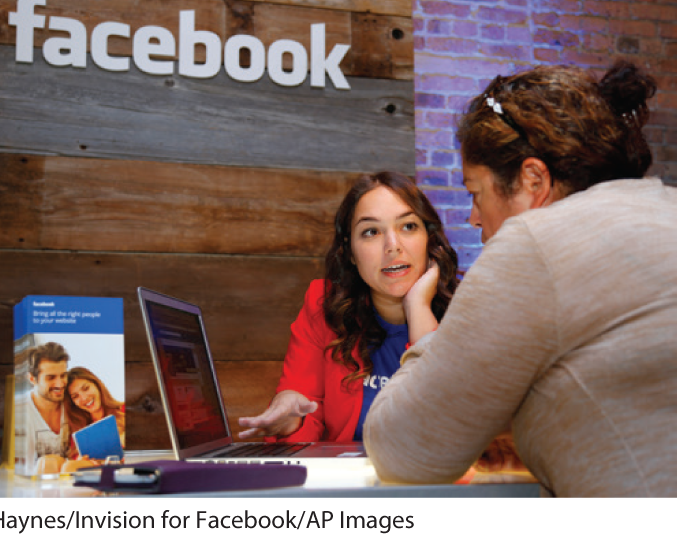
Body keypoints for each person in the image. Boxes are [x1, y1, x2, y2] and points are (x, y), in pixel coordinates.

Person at [364, 61, 676, 497]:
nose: (474, 217)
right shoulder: (666, 205)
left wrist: (435, 334)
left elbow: (406, 452)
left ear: (533, 180)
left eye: (476, 192)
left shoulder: (536, 241)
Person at [238, 171, 459, 442]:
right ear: (351, 254)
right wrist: (291, 421)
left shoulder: (467, 312)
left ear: (430, 239)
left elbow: (449, 429)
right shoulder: (324, 305)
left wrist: (418, 309)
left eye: (408, 226)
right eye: (371, 232)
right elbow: (303, 408)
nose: (393, 246)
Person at [24, 342, 70, 475]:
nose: (60, 384)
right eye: (51, 378)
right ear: (32, 379)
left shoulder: (75, 401)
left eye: (63, 375)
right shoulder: (21, 411)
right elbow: (24, 471)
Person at [65, 366, 126, 452]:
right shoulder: (78, 431)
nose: (84, 398)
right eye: (75, 396)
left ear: (97, 385)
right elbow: (75, 458)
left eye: (86, 388)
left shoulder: (124, 410)